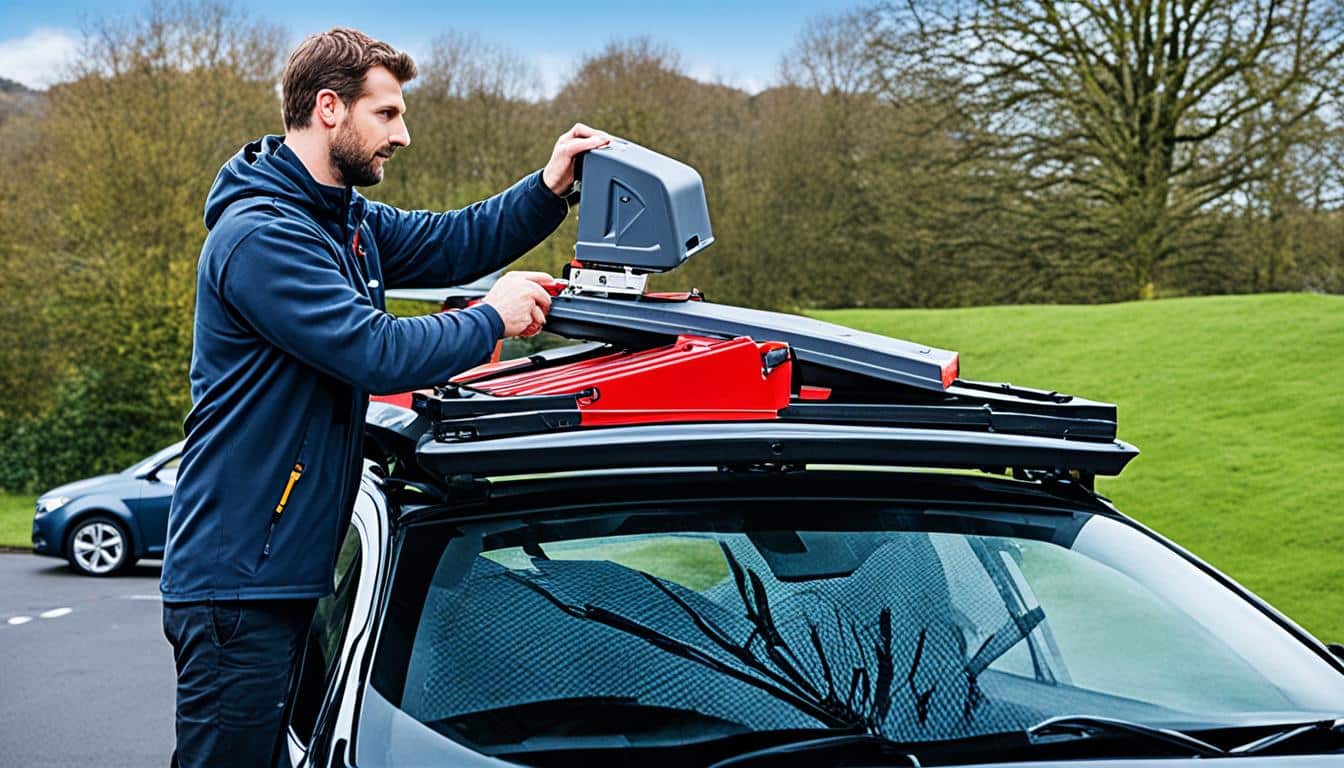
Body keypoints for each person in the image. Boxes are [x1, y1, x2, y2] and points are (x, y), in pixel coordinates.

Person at [158, 27, 608, 767]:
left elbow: (454, 241)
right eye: (388, 113)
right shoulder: (263, 238)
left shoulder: (343, 222)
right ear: (330, 108)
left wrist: (550, 184)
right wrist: (492, 317)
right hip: (238, 582)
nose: (403, 134)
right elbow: (373, 349)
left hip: (280, 571)